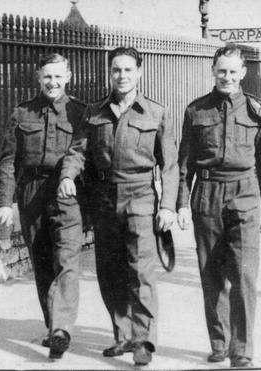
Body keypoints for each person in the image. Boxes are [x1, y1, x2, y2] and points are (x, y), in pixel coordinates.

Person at [58, 47, 179, 366]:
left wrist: (167, 205)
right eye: (116, 70)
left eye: (128, 70)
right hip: (104, 198)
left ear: (139, 72)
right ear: (109, 73)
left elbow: (170, 165)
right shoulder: (95, 112)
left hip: (140, 196)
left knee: (141, 270)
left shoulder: (156, 112)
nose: (122, 76)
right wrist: (69, 175)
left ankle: (143, 340)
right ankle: (123, 335)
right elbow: (77, 151)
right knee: (109, 271)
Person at [177, 44, 261, 368]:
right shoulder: (196, 111)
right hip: (206, 195)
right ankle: (220, 343)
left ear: (243, 73)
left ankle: (242, 350)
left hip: (244, 196)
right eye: (222, 71)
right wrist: (180, 204)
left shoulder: (256, 110)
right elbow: (184, 164)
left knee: (244, 279)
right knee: (211, 277)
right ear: (213, 71)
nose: (227, 77)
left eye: (233, 71)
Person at [0, 53, 86, 359]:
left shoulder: (79, 113)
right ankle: (54, 330)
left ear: (68, 76)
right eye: (47, 76)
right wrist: (5, 202)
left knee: (67, 261)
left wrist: (72, 180)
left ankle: (61, 329)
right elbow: (9, 160)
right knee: (42, 263)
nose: (53, 82)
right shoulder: (22, 113)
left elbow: (84, 153)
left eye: (59, 76)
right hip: (31, 193)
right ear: (38, 76)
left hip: (66, 193)